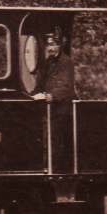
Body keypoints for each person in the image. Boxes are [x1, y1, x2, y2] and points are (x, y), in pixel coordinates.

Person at [32, 30, 76, 172]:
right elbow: (41, 83)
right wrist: (32, 95)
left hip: (61, 109)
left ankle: (56, 170)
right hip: (49, 108)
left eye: (53, 45)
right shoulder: (48, 62)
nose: (50, 48)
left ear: (59, 46)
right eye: (48, 45)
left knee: (57, 140)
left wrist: (50, 96)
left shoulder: (66, 62)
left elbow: (65, 86)